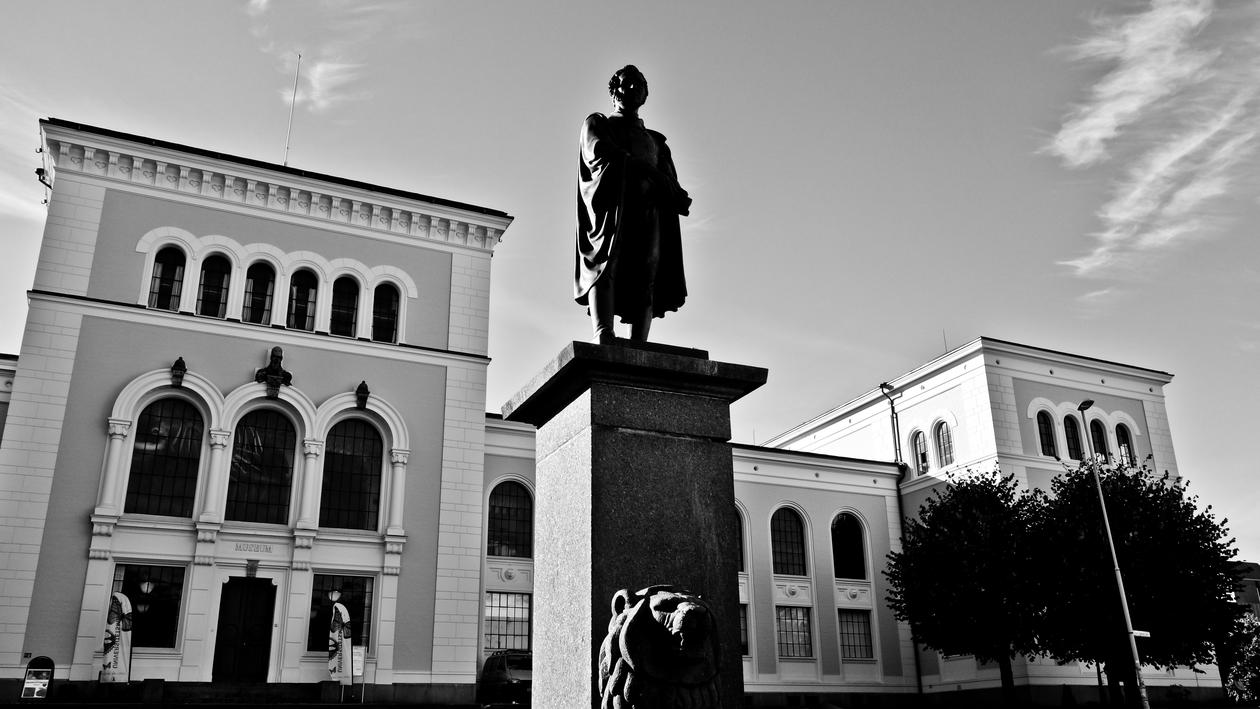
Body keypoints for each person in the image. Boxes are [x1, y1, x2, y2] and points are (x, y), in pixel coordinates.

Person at [575, 65, 692, 344]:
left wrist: (675, 192)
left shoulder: (656, 140)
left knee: (647, 274)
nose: (633, 88)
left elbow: (668, 178)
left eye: (639, 84)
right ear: (614, 91)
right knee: (606, 265)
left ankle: (639, 342)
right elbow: (599, 153)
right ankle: (604, 332)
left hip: (649, 214)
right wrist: (646, 170)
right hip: (613, 211)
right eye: (627, 83)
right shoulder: (598, 123)